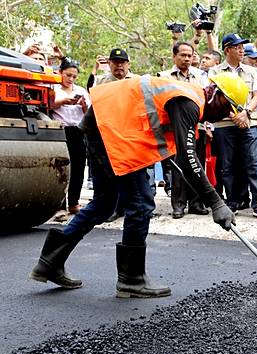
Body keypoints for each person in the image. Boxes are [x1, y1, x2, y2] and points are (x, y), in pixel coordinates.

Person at [29, 72, 242, 298]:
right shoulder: (190, 103)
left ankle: (49, 261)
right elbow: (188, 159)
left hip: (102, 126)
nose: (226, 114)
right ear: (215, 94)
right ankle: (132, 280)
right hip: (113, 131)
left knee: (104, 203)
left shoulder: (186, 96)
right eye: (227, 106)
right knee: (140, 203)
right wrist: (216, 202)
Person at [209, 33, 257, 220]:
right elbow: (212, 99)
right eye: (237, 47)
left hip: (249, 122)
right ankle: (232, 202)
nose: (242, 50)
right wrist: (234, 116)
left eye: (243, 47)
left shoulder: (251, 71)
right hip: (225, 124)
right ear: (227, 50)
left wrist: (246, 113)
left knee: (253, 164)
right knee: (228, 166)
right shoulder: (215, 72)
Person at [158, 41, 210, 219]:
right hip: (174, 131)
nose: (187, 59)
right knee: (179, 166)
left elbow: (206, 102)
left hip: (198, 129)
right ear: (174, 56)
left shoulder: (201, 76)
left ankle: (196, 203)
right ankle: (178, 205)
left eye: (190, 55)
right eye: (183, 55)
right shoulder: (164, 77)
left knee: (197, 165)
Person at [93, 48, 141, 223]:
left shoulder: (137, 81)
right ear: (110, 64)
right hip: (110, 134)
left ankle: (130, 208)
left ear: (128, 64)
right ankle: (113, 208)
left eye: (122, 62)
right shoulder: (101, 83)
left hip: (132, 134)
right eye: (115, 62)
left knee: (132, 173)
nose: (119, 66)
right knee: (112, 174)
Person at [51, 58, 91, 216]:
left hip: (78, 130)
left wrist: (83, 105)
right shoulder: (53, 88)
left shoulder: (81, 90)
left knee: (79, 168)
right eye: (68, 75)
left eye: (74, 76)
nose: (71, 79)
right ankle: (60, 204)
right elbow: (49, 105)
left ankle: (74, 202)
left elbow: (88, 112)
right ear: (61, 73)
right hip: (60, 130)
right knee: (60, 168)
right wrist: (63, 101)